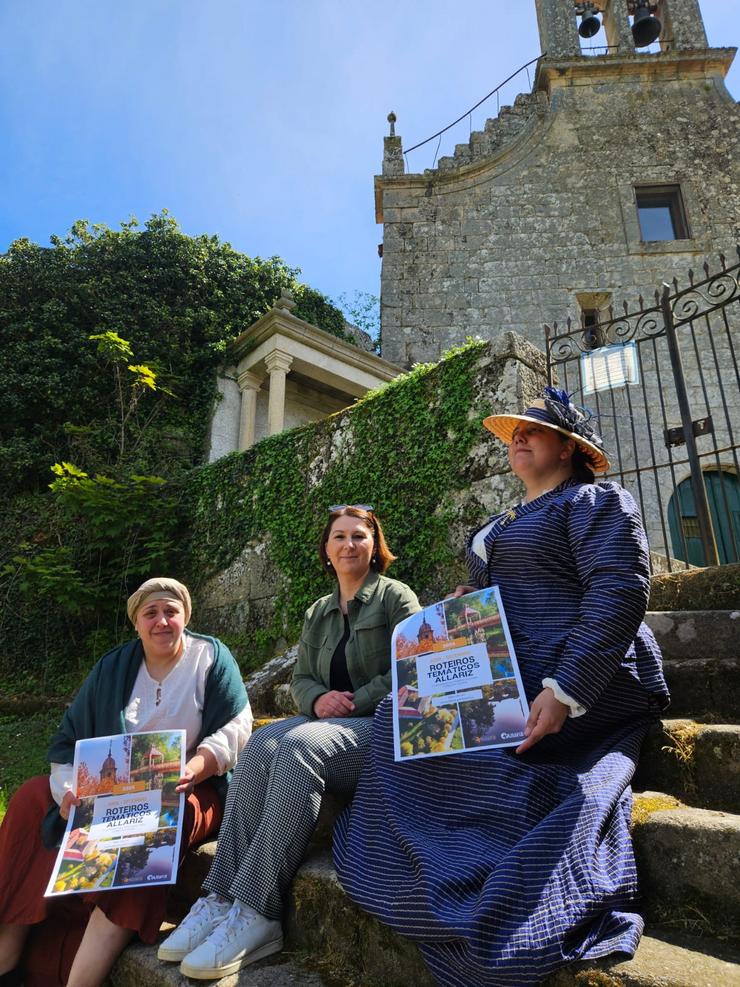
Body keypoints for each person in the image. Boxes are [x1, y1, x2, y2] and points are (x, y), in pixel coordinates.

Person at [333, 388, 670, 987]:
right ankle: (428, 875)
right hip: (504, 665)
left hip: (581, 668)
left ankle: (495, 891)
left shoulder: (596, 500)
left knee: (492, 753)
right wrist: (469, 602)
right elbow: (497, 598)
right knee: (397, 715)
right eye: (514, 432)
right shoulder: (500, 523)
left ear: (568, 448)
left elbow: (619, 588)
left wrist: (567, 689)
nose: (517, 438)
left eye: (533, 432)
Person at [158, 505, 420, 980]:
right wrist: (318, 700)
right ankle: (220, 899)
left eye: (359, 536)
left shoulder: (395, 598)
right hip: (322, 720)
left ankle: (258, 912)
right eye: (339, 537)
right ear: (326, 549)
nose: (348, 545)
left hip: (379, 726)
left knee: (300, 746)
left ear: (374, 545)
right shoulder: (318, 611)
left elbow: (415, 664)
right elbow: (301, 679)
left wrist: (354, 699)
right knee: (261, 745)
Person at [0, 577, 251, 987]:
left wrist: (198, 765)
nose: (162, 621)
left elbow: (237, 727)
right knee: (30, 797)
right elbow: (67, 744)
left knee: (152, 829)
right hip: (113, 790)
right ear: (136, 622)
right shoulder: (113, 667)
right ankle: (5, 960)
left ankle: (82, 977)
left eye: (171, 611)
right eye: (150, 613)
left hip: (190, 786)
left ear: (185, 616)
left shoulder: (210, 657)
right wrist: (69, 794)